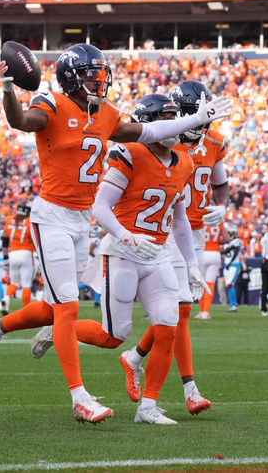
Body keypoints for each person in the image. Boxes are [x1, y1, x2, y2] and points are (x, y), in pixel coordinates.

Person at [0, 43, 231, 424]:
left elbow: (154, 129)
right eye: (91, 72)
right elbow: (21, 122)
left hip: (81, 221)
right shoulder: (54, 104)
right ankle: (80, 397)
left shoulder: (107, 114)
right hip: (52, 215)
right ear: (71, 76)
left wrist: (193, 121)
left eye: (100, 72)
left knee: (52, 308)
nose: (99, 79)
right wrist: (9, 89)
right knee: (67, 308)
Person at [36, 93, 208, 424]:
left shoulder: (184, 161)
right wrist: (128, 236)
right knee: (113, 336)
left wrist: (191, 264)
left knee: (168, 324)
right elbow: (100, 207)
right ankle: (63, 329)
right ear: (147, 124)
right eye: (165, 117)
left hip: (157, 253)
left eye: (175, 117)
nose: (173, 124)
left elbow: (181, 219)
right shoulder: (129, 152)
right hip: (124, 253)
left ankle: (148, 407)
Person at [128, 80, 231, 415]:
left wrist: (222, 207)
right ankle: (190, 389)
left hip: (194, 234)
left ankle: (134, 357)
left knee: (172, 313)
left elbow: (221, 183)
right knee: (183, 309)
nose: (201, 127)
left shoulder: (214, 142)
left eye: (205, 121)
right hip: (165, 231)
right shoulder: (163, 142)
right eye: (195, 119)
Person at [1, 202, 35, 312]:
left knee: (14, 283)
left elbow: (4, 242)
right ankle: (27, 310)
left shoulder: (9, 220)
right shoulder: (30, 221)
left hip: (12, 254)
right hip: (26, 253)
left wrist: (5, 258)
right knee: (26, 284)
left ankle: (6, 298)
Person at [196, 224, 224, 320]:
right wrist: (217, 241)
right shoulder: (218, 221)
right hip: (215, 253)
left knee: (201, 283)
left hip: (202, 252)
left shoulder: (201, 220)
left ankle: (202, 311)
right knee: (210, 283)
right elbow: (227, 238)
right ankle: (205, 312)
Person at [221, 224, 243, 313]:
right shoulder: (227, 243)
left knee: (230, 283)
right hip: (227, 265)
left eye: (229, 233)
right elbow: (223, 251)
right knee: (228, 285)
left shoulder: (237, 241)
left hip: (234, 265)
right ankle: (232, 305)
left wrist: (230, 262)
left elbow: (235, 251)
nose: (228, 234)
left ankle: (234, 305)